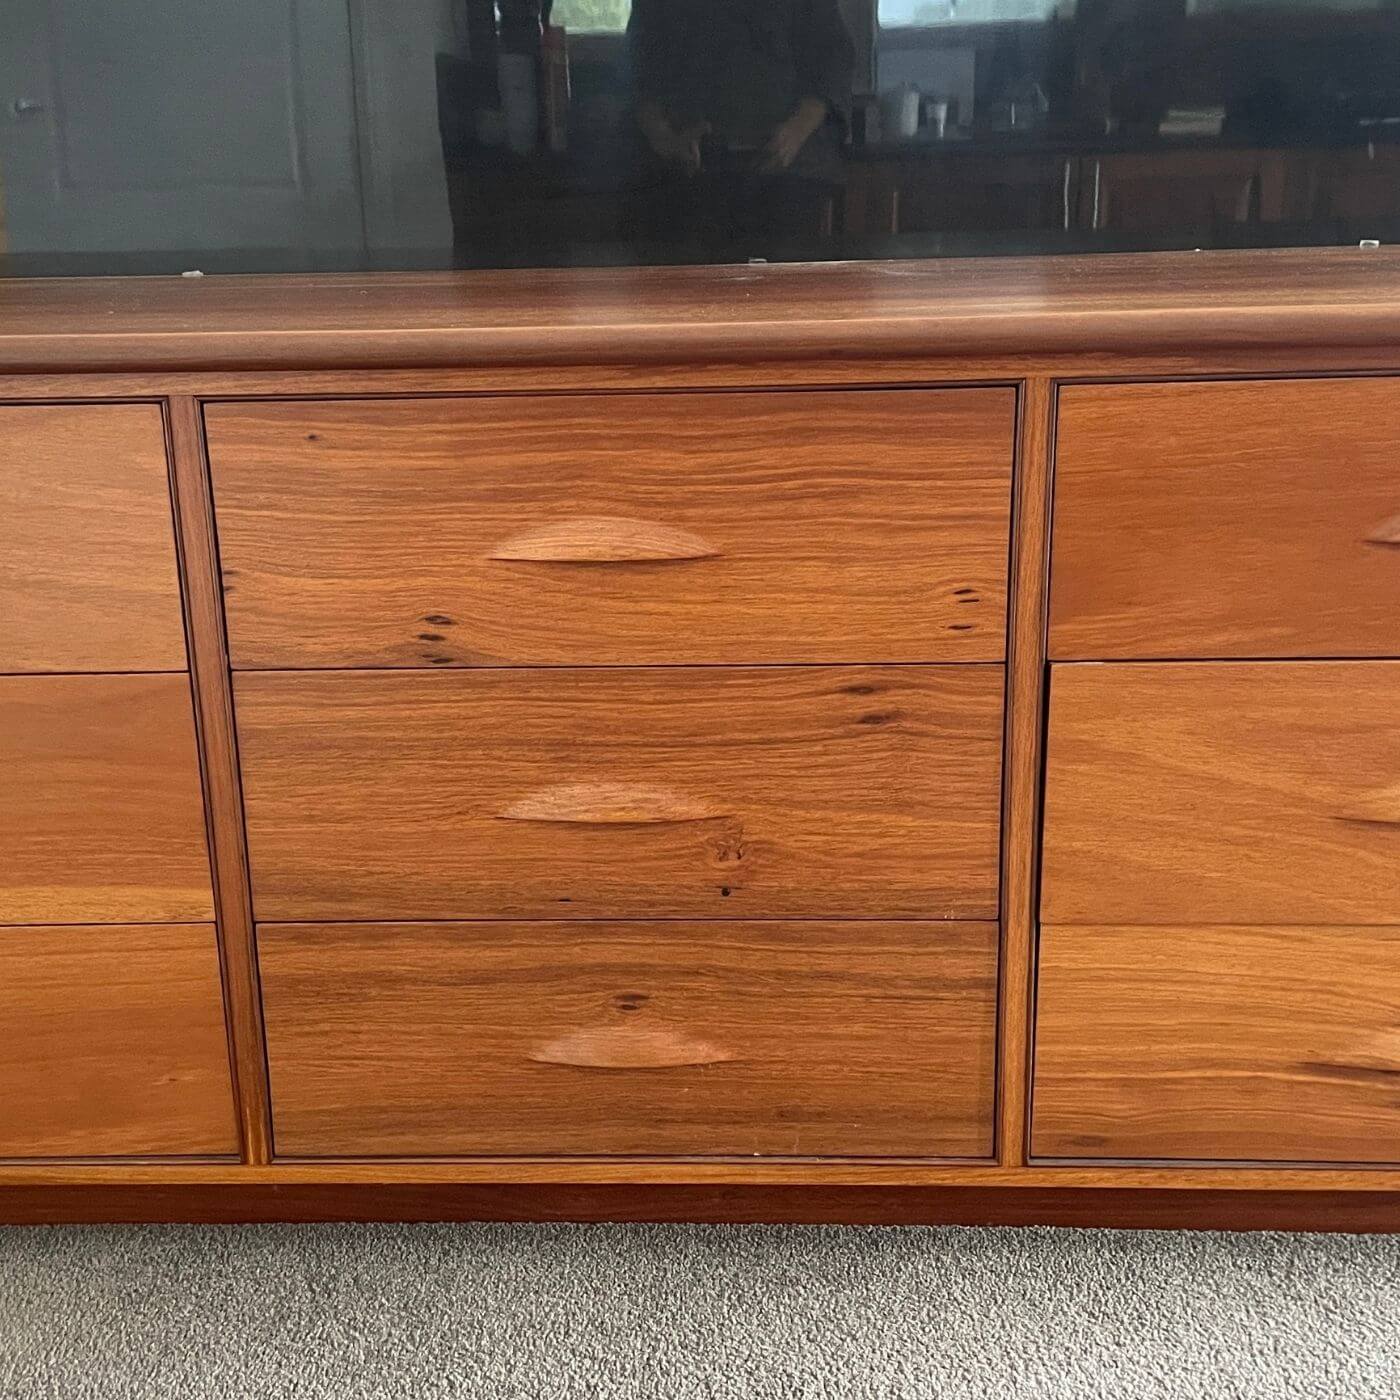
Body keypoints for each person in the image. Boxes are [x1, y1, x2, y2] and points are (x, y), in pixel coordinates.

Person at [627, 0, 855, 249]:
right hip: (690, 172)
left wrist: (797, 130)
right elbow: (638, 70)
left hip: (790, 170)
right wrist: (663, 136)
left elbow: (834, 58)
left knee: (788, 274)